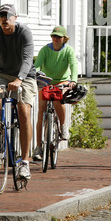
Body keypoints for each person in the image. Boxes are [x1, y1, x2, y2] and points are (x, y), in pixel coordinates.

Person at [0, 3, 37, 180]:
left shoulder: (24, 33)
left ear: (15, 17)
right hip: (2, 73)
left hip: (25, 76)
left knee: (23, 111)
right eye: (2, 16)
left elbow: (28, 59)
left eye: (8, 16)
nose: (5, 19)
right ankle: (1, 135)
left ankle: (25, 162)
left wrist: (19, 79)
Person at [33, 25, 78, 161]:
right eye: (53, 36)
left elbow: (73, 65)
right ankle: (38, 147)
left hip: (61, 82)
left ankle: (63, 127)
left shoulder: (68, 51)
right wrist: (36, 74)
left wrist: (73, 81)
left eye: (58, 37)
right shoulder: (45, 50)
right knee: (41, 111)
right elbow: (37, 65)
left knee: (58, 99)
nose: (55, 39)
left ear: (64, 39)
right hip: (46, 82)